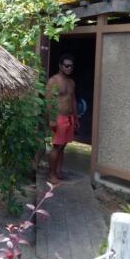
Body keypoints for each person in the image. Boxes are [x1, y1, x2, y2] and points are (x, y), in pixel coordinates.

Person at [45, 53, 79, 184]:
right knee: (57, 146)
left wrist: (76, 118)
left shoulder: (71, 82)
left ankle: (58, 171)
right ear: (60, 66)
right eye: (66, 66)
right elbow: (49, 100)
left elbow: (73, 100)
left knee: (63, 146)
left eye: (71, 66)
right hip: (58, 117)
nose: (69, 68)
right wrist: (52, 118)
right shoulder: (53, 81)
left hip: (69, 117)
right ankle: (51, 174)